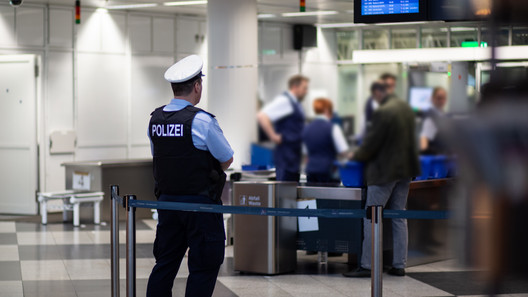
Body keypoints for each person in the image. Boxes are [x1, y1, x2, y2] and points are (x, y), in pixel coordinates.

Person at [146, 55, 234, 297]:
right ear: (197, 86)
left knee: (164, 264)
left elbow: (159, 157)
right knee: (203, 267)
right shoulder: (202, 121)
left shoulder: (155, 120)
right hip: (201, 206)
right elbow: (226, 158)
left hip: (167, 204)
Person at [343, 81, 420, 278]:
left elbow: (371, 143)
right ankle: (399, 264)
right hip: (406, 170)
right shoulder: (406, 109)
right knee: (398, 216)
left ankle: (368, 265)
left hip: (385, 172)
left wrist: (355, 155)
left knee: (371, 217)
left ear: (378, 93)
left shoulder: (382, 112)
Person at [257, 75, 309, 182]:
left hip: (293, 157)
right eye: (304, 88)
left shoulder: (295, 103)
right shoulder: (285, 101)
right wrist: (273, 136)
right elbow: (262, 116)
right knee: (285, 194)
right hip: (286, 157)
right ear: (295, 87)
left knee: (292, 192)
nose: (306, 91)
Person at [302, 98, 351, 184]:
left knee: (313, 196)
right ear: (327, 110)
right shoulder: (333, 128)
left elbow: (305, 152)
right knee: (327, 197)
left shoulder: (306, 128)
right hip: (328, 172)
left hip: (311, 171)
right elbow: (343, 151)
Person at [359, 73, 397, 141]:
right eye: (389, 86)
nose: (391, 89)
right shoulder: (371, 103)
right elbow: (364, 125)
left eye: (393, 86)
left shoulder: (395, 103)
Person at [420, 87, 449, 155]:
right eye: (439, 98)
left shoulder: (442, 114)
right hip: (435, 157)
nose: (441, 101)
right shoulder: (431, 116)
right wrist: (425, 160)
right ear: (432, 99)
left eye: (443, 98)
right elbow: (424, 138)